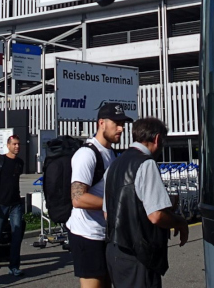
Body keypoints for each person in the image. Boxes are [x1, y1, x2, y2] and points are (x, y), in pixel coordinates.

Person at [104, 117, 189, 288]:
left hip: (115, 249)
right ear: (157, 139)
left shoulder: (114, 165)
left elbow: (108, 212)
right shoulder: (146, 163)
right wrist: (179, 221)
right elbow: (156, 216)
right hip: (138, 253)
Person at [67, 103, 131, 288]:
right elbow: (78, 198)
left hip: (105, 234)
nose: (121, 128)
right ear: (101, 123)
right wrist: (115, 205)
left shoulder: (111, 153)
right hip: (86, 235)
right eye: (117, 123)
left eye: (123, 124)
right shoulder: (87, 154)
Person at [0, 134, 25, 277]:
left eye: (18, 144)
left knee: (17, 234)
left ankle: (14, 266)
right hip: (1, 203)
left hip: (15, 204)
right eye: (14, 144)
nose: (17, 146)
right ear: (8, 145)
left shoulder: (20, 163)